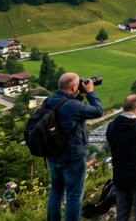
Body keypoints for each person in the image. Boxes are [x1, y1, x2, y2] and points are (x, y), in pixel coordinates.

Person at [45, 72, 104, 221]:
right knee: (73, 195)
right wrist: (90, 93)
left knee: (56, 192)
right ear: (73, 88)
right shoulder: (73, 106)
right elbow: (98, 111)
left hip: (53, 155)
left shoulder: (48, 101)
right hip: (72, 157)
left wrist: (80, 96)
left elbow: (65, 110)